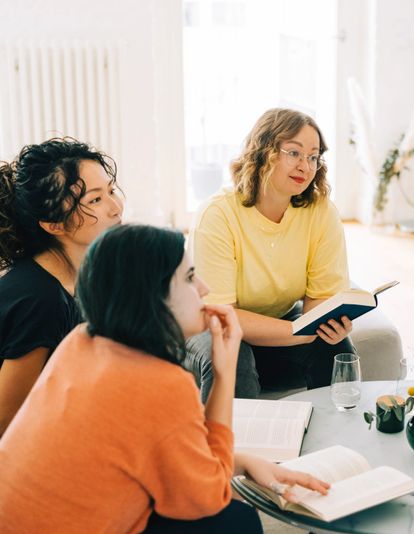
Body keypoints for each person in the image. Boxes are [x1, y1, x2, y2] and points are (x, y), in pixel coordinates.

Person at [0, 224, 329, 532]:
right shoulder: (161, 384)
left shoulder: (82, 340)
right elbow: (209, 497)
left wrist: (240, 460)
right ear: (152, 299)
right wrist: (224, 371)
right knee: (234, 520)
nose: (205, 288)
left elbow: (177, 458)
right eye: (189, 278)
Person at [184, 108, 354, 400]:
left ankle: (332, 440)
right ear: (263, 151)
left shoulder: (321, 212)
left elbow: (320, 299)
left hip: (278, 328)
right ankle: (226, 447)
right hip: (207, 327)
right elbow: (221, 317)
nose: (305, 165)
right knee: (231, 352)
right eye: (294, 153)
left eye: (313, 156)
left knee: (335, 346)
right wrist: (300, 332)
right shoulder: (217, 215)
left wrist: (323, 326)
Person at [0, 138, 124, 437]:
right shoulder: (39, 300)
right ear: (53, 224)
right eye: (95, 200)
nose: (115, 208)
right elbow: (7, 427)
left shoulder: (82, 279)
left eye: (110, 191)